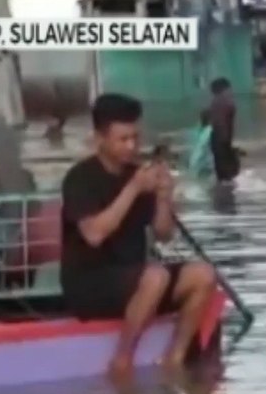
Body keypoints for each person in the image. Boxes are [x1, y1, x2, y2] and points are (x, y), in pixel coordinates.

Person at [60, 93, 218, 377]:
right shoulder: (79, 178)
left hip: (136, 279)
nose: (132, 146)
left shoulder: (137, 173)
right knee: (155, 276)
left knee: (203, 274)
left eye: (135, 137)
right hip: (90, 283)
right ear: (100, 138)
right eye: (123, 139)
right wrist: (132, 189)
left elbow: (163, 235)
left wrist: (163, 197)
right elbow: (95, 234)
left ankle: (175, 359)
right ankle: (121, 361)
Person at [205, 78, 239, 183]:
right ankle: (226, 190)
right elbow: (220, 122)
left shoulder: (217, 101)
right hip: (221, 139)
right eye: (228, 89)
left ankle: (224, 187)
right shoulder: (223, 101)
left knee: (222, 170)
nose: (230, 91)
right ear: (223, 89)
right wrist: (226, 141)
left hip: (219, 138)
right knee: (225, 171)